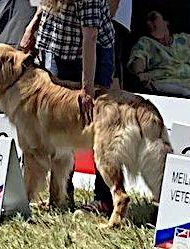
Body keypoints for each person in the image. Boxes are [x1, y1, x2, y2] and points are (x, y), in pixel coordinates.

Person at [20, 0, 115, 213]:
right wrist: (31, 27)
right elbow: (47, 4)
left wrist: (87, 89)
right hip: (58, 48)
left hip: (93, 54)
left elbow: (90, 37)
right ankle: (61, 196)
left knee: (99, 127)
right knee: (59, 129)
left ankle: (103, 200)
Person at [127, 11, 190, 98]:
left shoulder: (185, 39)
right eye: (147, 21)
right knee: (184, 92)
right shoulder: (146, 42)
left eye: (153, 18)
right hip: (165, 83)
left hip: (187, 81)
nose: (149, 23)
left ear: (166, 22)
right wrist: (140, 73)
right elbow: (138, 58)